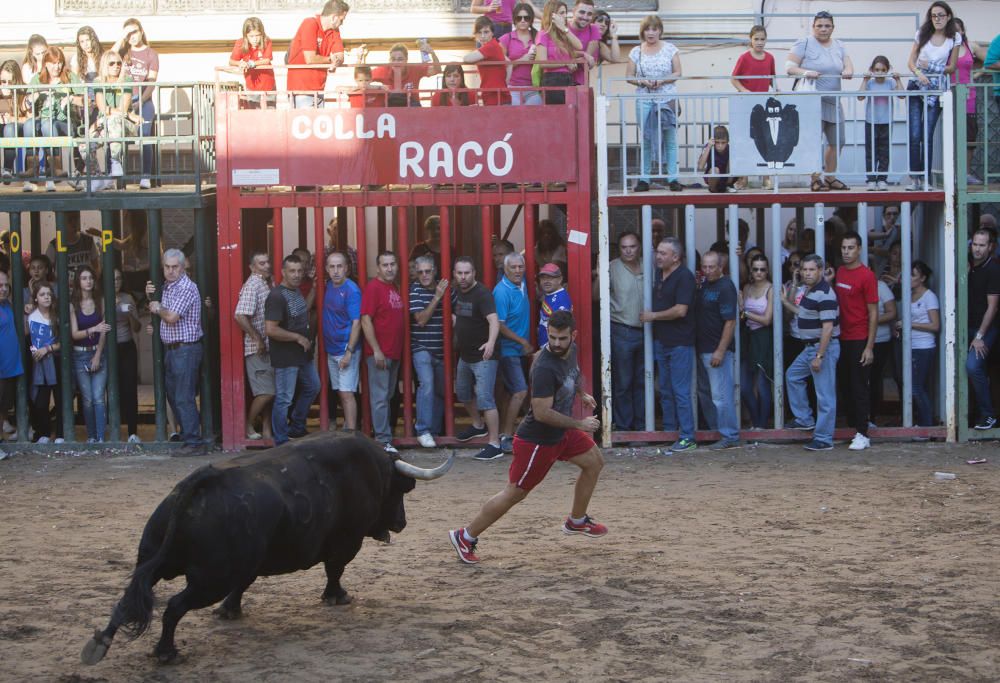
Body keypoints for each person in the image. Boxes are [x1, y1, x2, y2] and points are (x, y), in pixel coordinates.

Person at [448, 310, 605, 565]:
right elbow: (542, 413)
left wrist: (581, 393)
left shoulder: (571, 349)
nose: (555, 343)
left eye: (561, 338)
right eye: (552, 337)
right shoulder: (544, 365)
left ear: (572, 336)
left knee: (594, 462)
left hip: (561, 434)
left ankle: (576, 521)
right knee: (514, 493)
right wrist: (580, 424)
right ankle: (465, 536)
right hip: (537, 441)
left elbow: (571, 375)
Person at [786, 11, 854, 192]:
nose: (823, 29)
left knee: (838, 140)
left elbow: (848, 64)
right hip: (812, 102)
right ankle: (815, 179)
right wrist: (806, 73)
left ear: (833, 27)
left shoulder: (839, 45)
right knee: (813, 141)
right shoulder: (805, 43)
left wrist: (848, 70)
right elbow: (789, 67)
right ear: (813, 27)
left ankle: (830, 177)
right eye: (820, 26)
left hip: (833, 101)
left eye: (827, 26)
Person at [640, 237, 696, 453]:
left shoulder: (684, 277)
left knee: (680, 391)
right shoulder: (658, 274)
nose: (658, 256)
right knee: (664, 389)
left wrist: (653, 316)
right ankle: (671, 432)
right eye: (658, 252)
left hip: (680, 343)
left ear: (676, 257)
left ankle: (687, 436)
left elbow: (681, 310)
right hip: (662, 341)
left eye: (663, 253)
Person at [147, 249, 205, 450]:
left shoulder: (186, 287)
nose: (171, 271)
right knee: (174, 395)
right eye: (167, 267)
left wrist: (156, 308)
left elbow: (171, 317)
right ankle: (188, 435)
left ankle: (193, 441)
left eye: (175, 267)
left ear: (183, 267)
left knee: (182, 396)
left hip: (185, 349)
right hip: (173, 349)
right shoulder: (169, 287)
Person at [782, 254, 841, 451]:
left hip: (820, 348)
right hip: (810, 348)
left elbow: (828, 328)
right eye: (804, 269)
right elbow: (803, 313)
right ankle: (804, 419)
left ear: (820, 271)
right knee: (792, 376)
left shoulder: (825, 293)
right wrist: (785, 301)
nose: (807, 273)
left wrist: (820, 356)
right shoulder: (811, 290)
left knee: (825, 395)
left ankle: (824, 439)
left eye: (811, 270)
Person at [906, 1, 961, 191]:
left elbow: (952, 67)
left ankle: (927, 179)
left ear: (948, 17)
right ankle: (915, 179)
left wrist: (928, 67)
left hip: (936, 89)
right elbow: (911, 62)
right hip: (916, 85)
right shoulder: (922, 34)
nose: (937, 19)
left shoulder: (954, 38)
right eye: (934, 15)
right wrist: (919, 73)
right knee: (914, 134)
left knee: (927, 134)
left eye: (941, 15)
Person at [265, 254, 318, 446]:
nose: (296, 275)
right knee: (284, 398)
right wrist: (297, 337)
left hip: (301, 355)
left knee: (313, 387)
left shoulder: (295, 292)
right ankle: (280, 440)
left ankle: (296, 427)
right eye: (292, 271)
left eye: (299, 271)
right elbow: (270, 329)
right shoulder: (277, 296)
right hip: (286, 356)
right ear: (283, 272)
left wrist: (313, 288)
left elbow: (303, 309)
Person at [452, 256, 502, 460]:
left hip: (483, 357)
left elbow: (494, 321)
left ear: (474, 274)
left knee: (485, 399)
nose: (463, 277)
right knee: (463, 392)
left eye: (467, 273)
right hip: (465, 355)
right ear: (455, 274)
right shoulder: (457, 292)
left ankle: (495, 444)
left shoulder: (482, 294)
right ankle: (478, 425)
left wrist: (490, 343)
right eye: (459, 273)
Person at [627, 14, 682, 193]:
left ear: (660, 30)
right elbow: (629, 76)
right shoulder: (636, 51)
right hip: (645, 98)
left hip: (667, 98)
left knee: (670, 138)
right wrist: (643, 82)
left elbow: (678, 72)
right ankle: (645, 178)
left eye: (654, 29)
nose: (651, 33)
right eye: (647, 29)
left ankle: (673, 178)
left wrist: (663, 80)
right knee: (646, 138)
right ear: (643, 32)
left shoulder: (670, 49)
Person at [834, 231, 878, 451]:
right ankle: (854, 428)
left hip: (859, 338)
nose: (846, 252)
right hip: (840, 337)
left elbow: (873, 312)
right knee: (845, 386)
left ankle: (863, 433)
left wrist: (869, 346)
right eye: (843, 248)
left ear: (859, 249)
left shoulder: (867, 276)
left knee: (859, 387)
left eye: (851, 248)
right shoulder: (840, 272)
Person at [361, 251, 405, 453]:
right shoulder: (374, 288)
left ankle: (385, 437)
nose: (390, 268)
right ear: (377, 268)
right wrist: (376, 350)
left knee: (386, 396)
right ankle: (383, 440)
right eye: (385, 265)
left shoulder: (393, 287)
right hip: (380, 353)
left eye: (392, 264)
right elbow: (365, 319)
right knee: (380, 397)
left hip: (393, 352)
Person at [24, 47, 84, 193]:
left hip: (66, 121)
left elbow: (85, 100)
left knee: (47, 124)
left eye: (59, 63)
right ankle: (32, 166)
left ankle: (55, 166)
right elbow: (25, 105)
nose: (56, 67)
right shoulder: (38, 79)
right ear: (45, 63)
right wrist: (32, 98)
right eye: (52, 63)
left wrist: (70, 98)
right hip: (43, 119)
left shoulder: (69, 77)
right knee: (29, 124)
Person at [697, 251, 740, 449]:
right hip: (704, 348)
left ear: (720, 267)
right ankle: (718, 431)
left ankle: (730, 435)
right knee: (707, 393)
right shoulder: (706, 284)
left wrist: (721, 350)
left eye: (711, 267)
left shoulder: (726, 287)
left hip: (716, 350)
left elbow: (730, 322)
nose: (707, 271)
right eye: (704, 267)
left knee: (721, 396)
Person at [112, 18, 158, 189]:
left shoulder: (151, 54)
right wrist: (122, 37)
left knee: (145, 136)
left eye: (135, 32)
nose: (132, 36)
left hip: (144, 100)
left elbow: (152, 83)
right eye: (128, 33)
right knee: (116, 134)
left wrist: (141, 101)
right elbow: (108, 56)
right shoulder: (124, 51)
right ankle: (118, 178)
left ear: (142, 32)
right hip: (123, 100)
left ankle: (145, 176)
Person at [494, 252, 533, 453]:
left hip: (519, 350)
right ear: (504, 269)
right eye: (513, 268)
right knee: (520, 391)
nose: (518, 271)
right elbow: (499, 326)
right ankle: (507, 437)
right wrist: (522, 341)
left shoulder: (521, 282)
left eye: (520, 267)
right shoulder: (501, 291)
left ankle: (504, 432)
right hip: (509, 350)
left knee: (511, 393)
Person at [234, 251, 275, 441]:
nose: (266, 266)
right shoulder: (252, 285)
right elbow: (240, 315)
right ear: (252, 267)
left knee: (270, 392)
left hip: (267, 347)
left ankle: (267, 431)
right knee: (267, 392)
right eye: (261, 263)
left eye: (267, 262)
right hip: (256, 348)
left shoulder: (264, 283)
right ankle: (247, 425)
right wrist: (256, 338)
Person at [606, 230, 644, 431]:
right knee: (623, 382)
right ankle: (624, 426)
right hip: (622, 330)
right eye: (624, 247)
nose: (628, 251)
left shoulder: (650, 265)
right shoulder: (612, 267)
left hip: (648, 331)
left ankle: (642, 426)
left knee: (643, 380)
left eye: (632, 246)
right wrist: (597, 272)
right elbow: (597, 296)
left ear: (639, 247)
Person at [409, 255, 448, 447]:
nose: (424, 275)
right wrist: (437, 297)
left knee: (441, 391)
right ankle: (422, 430)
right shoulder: (415, 289)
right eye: (420, 272)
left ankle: (433, 430)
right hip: (421, 348)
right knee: (427, 384)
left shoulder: (445, 287)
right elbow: (421, 320)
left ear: (435, 271)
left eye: (428, 271)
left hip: (442, 350)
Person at [896, 261, 939, 427]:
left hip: (923, 347)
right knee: (910, 384)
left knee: (916, 387)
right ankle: (920, 423)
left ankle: (926, 426)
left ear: (923, 278)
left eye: (912, 275)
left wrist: (908, 324)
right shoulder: (908, 294)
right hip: (909, 345)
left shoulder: (930, 297)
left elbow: (935, 325)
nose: (908, 278)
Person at [70, 267, 110, 443]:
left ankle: (100, 437)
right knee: (87, 399)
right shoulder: (73, 305)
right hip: (79, 355)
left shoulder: (101, 301)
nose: (88, 281)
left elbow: (105, 331)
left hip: (98, 352)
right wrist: (93, 328)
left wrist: (98, 355)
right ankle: (91, 436)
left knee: (98, 398)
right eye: (84, 278)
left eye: (91, 277)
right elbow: (74, 334)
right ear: (78, 282)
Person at [323, 251, 362, 432]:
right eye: (332, 266)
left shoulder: (352, 290)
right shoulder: (328, 285)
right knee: (340, 391)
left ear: (346, 268)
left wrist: (349, 351)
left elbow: (357, 322)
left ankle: (351, 434)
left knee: (347, 393)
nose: (336, 271)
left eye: (340, 266)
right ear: (327, 269)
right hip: (332, 349)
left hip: (346, 349)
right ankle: (348, 428)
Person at [966, 229, 1000, 430]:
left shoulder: (993, 270)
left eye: (982, 245)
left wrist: (979, 336)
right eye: (975, 244)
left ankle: (988, 415)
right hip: (966, 327)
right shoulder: (967, 265)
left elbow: (993, 307)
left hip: (985, 329)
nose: (977, 249)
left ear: (990, 247)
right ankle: (973, 414)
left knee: (972, 366)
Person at [286, 0, 349, 109]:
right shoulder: (310, 23)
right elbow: (310, 58)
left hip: (319, 89)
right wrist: (331, 60)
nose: (342, 23)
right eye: (341, 20)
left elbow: (340, 56)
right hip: (301, 90)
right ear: (334, 17)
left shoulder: (334, 31)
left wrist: (336, 60)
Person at [92, 49, 139, 190]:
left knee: (113, 120)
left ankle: (115, 161)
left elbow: (123, 109)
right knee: (84, 145)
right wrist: (103, 118)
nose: (116, 66)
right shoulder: (98, 81)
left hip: (124, 125)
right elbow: (101, 107)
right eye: (111, 63)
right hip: (103, 123)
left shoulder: (127, 80)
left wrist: (126, 114)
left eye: (119, 63)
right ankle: (98, 177)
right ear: (105, 65)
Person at [858, 56, 902, 191]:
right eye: (877, 69)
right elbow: (860, 96)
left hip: (886, 122)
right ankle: (871, 179)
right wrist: (864, 80)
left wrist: (898, 80)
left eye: (883, 70)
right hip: (871, 121)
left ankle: (882, 179)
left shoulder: (890, 83)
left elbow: (902, 95)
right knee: (871, 151)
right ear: (872, 70)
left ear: (887, 70)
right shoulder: (870, 83)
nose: (880, 72)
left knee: (884, 151)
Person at [741, 253, 774, 430]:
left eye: (762, 269)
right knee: (745, 387)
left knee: (762, 385)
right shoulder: (746, 288)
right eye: (755, 269)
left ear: (767, 271)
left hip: (764, 337)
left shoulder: (771, 289)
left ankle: (761, 426)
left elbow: (768, 319)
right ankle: (755, 422)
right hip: (748, 337)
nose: (759, 272)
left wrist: (745, 313)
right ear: (751, 271)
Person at [27, 283, 63, 443]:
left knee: (60, 399)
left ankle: (61, 434)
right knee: (40, 402)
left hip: (56, 360)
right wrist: (35, 350)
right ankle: (44, 433)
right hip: (39, 363)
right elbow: (27, 340)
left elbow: (65, 342)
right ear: (35, 298)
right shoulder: (31, 317)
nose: (47, 297)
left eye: (49, 294)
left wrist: (47, 349)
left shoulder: (58, 315)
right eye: (42, 294)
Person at [535, 0, 583, 105]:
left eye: (565, 12)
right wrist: (566, 63)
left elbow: (579, 46)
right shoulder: (543, 34)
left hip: (569, 78)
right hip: (552, 80)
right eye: (561, 13)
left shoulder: (564, 33)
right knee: (557, 116)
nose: (565, 16)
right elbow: (543, 63)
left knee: (569, 115)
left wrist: (564, 29)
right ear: (552, 15)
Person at [113, 269, 142, 443]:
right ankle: (114, 431)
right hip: (109, 349)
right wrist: (110, 306)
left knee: (130, 389)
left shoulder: (128, 298)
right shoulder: (101, 298)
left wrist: (131, 314)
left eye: (118, 278)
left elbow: (137, 328)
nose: (115, 282)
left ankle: (133, 432)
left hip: (127, 346)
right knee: (112, 390)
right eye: (112, 279)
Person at [372, 41, 441, 107]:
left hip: (411, 107)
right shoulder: (383, 70)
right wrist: (378, 87)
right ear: (389, 60)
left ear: (406, 60)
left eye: (400, 59)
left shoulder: (414, 68)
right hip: (391, 107)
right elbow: (363, 78)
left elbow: (437, 70)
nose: (396, 62)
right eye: (393, 59)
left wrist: (432, 53)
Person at [0, 271, 24, 453]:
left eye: (6, 285)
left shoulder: (8, 305)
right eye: (0, 285)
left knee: (3, 408)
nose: (4, 289)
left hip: (10, 368)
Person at [869, 275, 897, 427]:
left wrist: (871, 320)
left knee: (874, 378)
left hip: (880, 340)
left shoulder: (881, 286)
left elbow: (892, 312)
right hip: (858, 338)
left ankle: (872, 417)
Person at [463, 18, 510, 106]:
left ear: (492, 33)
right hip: (496, 95)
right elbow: (509, 62)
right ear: (475, 35)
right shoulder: (495, 45)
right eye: (479, 32)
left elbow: (466, 59)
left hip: (496, 97)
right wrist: (505, 84)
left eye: (486, 32)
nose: (483, 36)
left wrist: (504, 84)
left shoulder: (490, 46)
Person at [500, 3, 541, 106]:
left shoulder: (538, 37)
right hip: (512, 88)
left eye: (526, 18)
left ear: (531, 20)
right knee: (514, 117)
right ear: (514, 19)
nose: (523, 20)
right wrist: (523, 59)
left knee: (534, 117)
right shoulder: (506, 38)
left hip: (534, 88)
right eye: (519, 18)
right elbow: (500, 66)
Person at [229, 17, 276, 105]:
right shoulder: (240, 43)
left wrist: (252, 63)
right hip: (251, 85)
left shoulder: (267, 41)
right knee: (254, 114)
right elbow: (231, 61)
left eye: (258, 35)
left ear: (262, 34)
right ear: (245, 35)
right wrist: (240, 63)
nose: (255, 39)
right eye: (251, 36)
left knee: (270, 114)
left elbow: (267, 60)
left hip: (268, 84)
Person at [45, 213, 99, 283]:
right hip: (64, 288)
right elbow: (47, 270)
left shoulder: (88, 240)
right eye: (70, 220)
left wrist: (94, 283)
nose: (74, 223)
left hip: (85, 287)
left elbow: (96, 267)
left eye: (76, 219)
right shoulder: (54, 245)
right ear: (62, 223)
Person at [0, 60, 30, 187]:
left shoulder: (22, 93)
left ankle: (7, 169)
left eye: (10, 82)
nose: (6, 85)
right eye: (3, 81)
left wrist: (13, 119)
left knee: (9, 129)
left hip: (17, 127)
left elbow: (30, 118)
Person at [697, 125, 743, 193]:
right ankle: (713, 189)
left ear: (727, 142)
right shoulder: (709, 146)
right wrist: (709, 147)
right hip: (713, 178)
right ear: (713, 141)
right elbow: (700, 166)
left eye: (723, 143)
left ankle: (727, 186)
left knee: (736, 162)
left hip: (726, 178)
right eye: (717, 142)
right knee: (715, 170)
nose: (720, 146)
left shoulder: (729, 149)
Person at [730, 25, 775, 93]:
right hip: (747, 98)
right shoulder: (744, 58)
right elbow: (733, 79)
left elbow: (772, 78)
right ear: (751, 39)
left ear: (766, 39)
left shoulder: (770, 58)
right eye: (756, 39)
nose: (759, 43)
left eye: (762, 39)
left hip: (763, 98)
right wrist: (744, 90)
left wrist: (777, 90)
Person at [537, 262, 572, 346]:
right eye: (543, 278)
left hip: (554, 348)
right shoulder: (549, 293)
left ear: (560, 280)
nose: (546, 281)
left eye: (550, 278)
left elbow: (560, 329)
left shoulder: (561, 298)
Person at [567, 0, 601, 87]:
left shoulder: (593, 29)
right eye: (582, 12)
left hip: (581, 84)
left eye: (589, 14)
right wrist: (581, 55)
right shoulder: (563, 28)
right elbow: (558, 54)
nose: (585, 17)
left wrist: (571, 58)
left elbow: (586, 61)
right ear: (573, 11)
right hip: (559, 81)